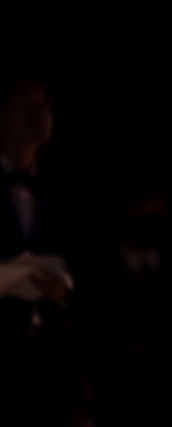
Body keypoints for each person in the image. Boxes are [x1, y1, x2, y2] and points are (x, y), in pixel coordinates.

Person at [0, 74, 93, 426]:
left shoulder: (64, 188)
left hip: (51, 367)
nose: (38, 114)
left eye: (44, 106)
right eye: (25, 104)